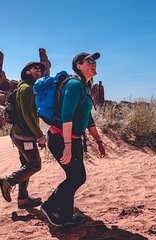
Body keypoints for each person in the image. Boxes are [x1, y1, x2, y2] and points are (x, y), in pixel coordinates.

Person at [40, 52, 106, 227]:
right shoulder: (75, 85)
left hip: (72, 139)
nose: (94, 64)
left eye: (95, 61)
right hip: (60, 138)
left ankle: (66, 215)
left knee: (74, 176)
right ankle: (49, 206)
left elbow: (88, 118)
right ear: (78, 65)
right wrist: (67, 147)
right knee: (77, 177)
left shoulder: (84, 87)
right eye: (89, 61)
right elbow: (66, 116)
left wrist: (99, 141)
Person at [0, 62, 47, 209]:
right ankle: (8, 181)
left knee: (26, 166)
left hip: (22, 134)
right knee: (34, 165)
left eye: (40, 69)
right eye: (35, 68)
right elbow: (28, 115)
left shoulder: (29, 88)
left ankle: (23, 198)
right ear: (27, 72)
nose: (38, 71)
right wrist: (39, 135)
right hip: (24, 135)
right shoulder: (26, 89)